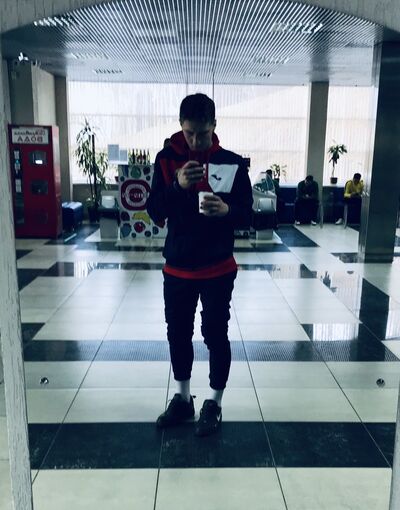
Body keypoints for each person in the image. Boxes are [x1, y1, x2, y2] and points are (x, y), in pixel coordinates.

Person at [146, 93, 253, 437]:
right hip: (177, 266)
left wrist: (227, 211)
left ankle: (214, 402)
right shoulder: (166, 160)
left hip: (218, 266)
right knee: (178, 333)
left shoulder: (231, 162)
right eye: (189, 133)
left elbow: (248, 213)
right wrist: (177, 185)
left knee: (215, 333)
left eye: (203, 134)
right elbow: (154, 210)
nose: (195, 141)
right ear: (181, 126)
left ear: (214, 126)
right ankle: (182, 398)